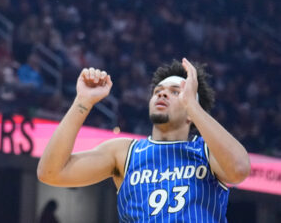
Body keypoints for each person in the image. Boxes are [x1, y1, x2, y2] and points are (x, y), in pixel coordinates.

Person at [37, 58, 251, 222]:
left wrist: (193, 106)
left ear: (190, 110)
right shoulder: (123, 152)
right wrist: (82, 101)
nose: (162, 95)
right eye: (158, 91)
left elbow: (239, 169)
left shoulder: (207, 151)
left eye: (175, 92)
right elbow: (50, 173)